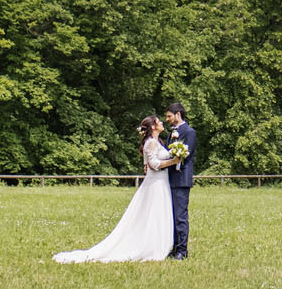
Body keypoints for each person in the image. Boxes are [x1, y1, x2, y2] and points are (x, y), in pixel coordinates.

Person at [53, 115, 175, 263]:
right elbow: (153, 164)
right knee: (151, 214)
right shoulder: (151, 143)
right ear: (153, 127)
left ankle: (158, 242)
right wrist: (174, 161)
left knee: (155, 213)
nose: (162, 122)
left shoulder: (156, 142)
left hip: (160, 182)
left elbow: (145, 165)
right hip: (155, 183)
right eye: (158, 122)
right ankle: (151, 246)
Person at [163, 101, 197, 259]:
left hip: (181, 179)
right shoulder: (171, 133)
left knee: (180, 216)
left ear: (178, 114)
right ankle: (175, 247)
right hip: (169, 178)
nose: (167, 119)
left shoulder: (189, 132)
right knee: (171, 215)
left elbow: (186, 155)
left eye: (169, 116)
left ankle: (182, 250)